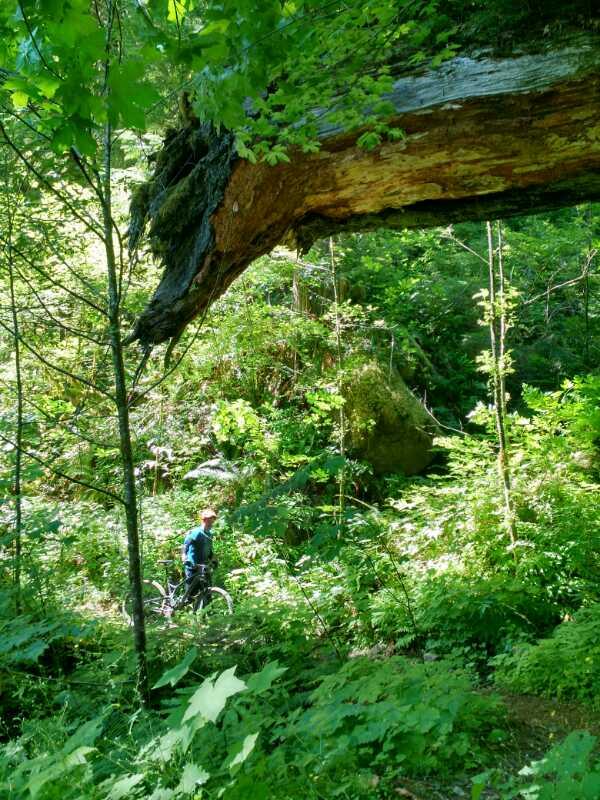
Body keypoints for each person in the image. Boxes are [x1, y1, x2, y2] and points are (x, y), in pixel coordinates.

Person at [181, 508, 218, 596]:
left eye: (213, 520)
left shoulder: (209, 534)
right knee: (190, 595)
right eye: (210, 520)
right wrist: (184, 556)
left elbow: (208, 549)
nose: (211, 522)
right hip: (193, 566)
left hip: (203, 567)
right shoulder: (196, 532)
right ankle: (182, 608)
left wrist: (213, 559)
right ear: (204, 520)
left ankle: (208, 609)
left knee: (207, 592)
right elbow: (185, 545)